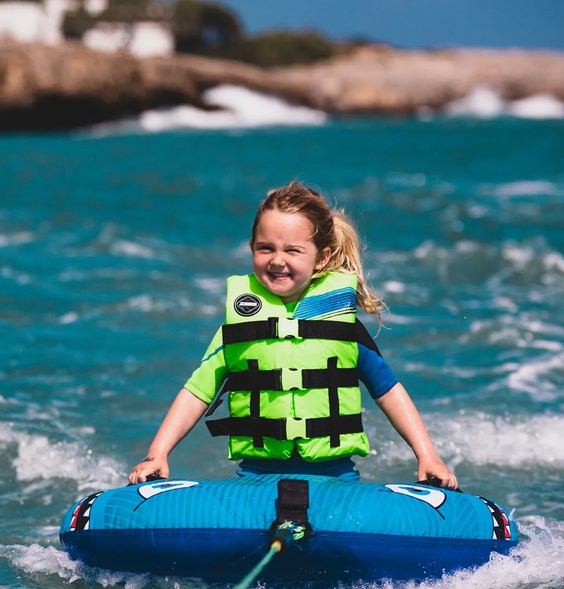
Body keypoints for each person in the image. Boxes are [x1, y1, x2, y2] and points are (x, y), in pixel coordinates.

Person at [128, 181, 458, 489]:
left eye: (293, 251)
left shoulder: (341, 324)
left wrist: (426, 455)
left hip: (336, 477)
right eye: (265, 248)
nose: (277, 260)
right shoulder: (239, 326)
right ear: (251, 248)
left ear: (321, 258)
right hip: (255, 477)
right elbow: (197, 391)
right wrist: (157, 453)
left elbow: (387, 389)